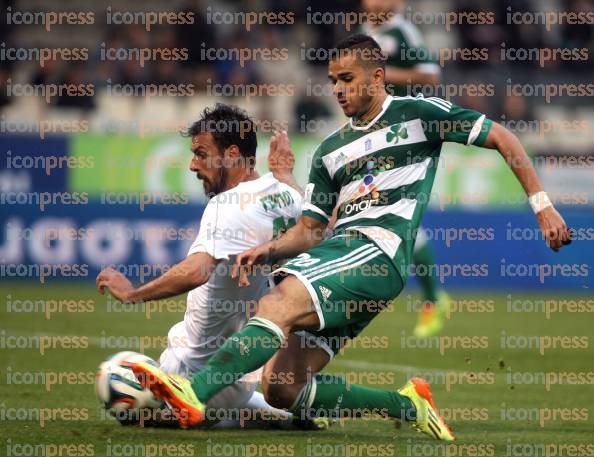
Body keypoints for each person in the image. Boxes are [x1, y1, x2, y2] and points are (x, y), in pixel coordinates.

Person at [129, 35, 571, 441]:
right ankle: (407, 404)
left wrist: (542, 205)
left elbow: (501, 136)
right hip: (347, 257)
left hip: (378, 249)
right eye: (332, 81)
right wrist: (269, 248)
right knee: (282, 388)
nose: (337, 89)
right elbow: (309, 231)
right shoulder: (329, 152)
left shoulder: (417, 114)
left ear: (377, 77)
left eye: (347, 78)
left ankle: (192, 393)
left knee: (275, 303)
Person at [96, 103, 322, 429]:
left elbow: (197, 270)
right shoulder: (284, 192)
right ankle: (279, 415)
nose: (192, 165)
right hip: (239, 374)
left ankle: (198, 412)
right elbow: (313, 230)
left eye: (202, 154)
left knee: (118, 379)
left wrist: (133, 294)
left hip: (195, 377)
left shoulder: (227, 205)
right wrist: (285, 174)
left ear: (231, 154)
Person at [361, 0, 450, 337]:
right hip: (373, 135)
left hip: (405, 132)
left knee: (402, 215)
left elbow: (430, 74)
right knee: (393, 215)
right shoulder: (363, 34)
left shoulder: (402, 32)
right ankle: (431, 298)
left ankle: (431, 300)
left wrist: (386, 75)